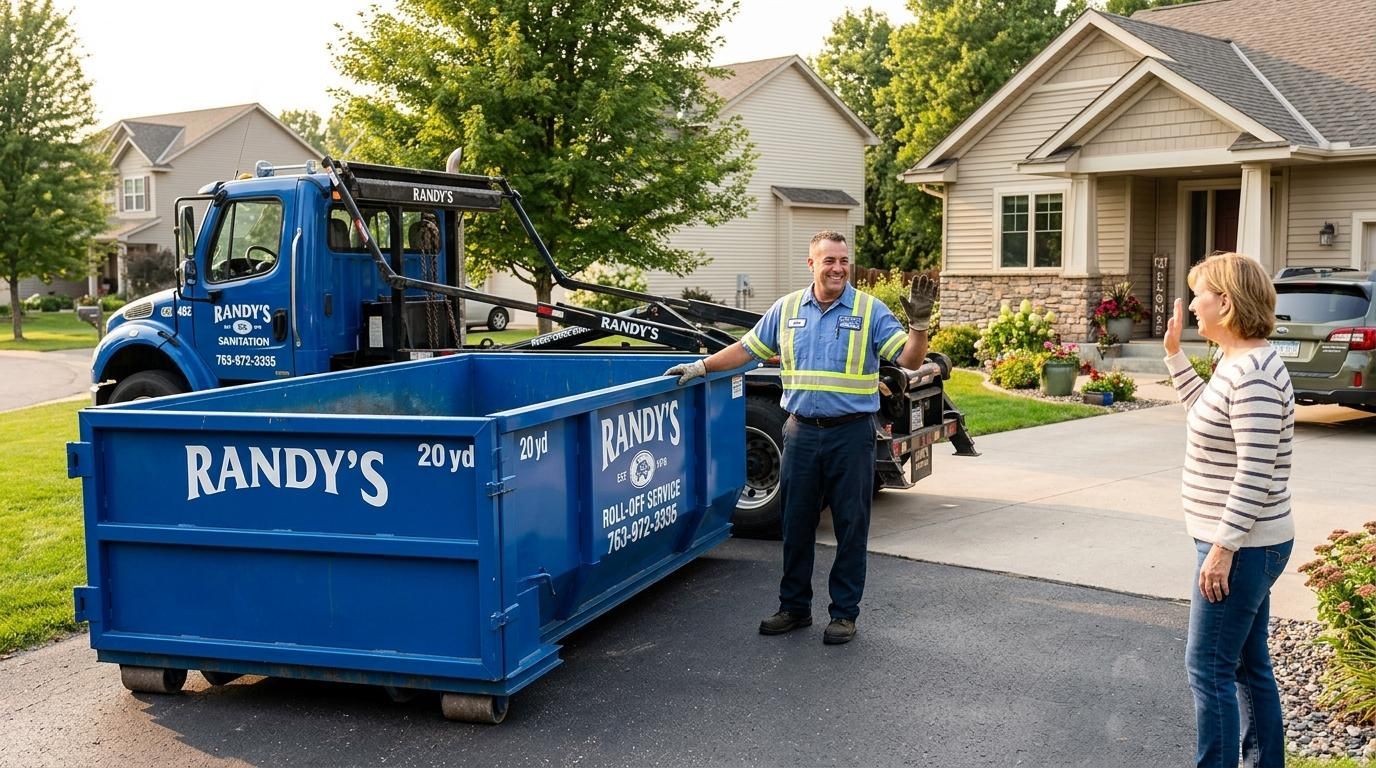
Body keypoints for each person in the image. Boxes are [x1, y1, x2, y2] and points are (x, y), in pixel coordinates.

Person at [664, 230, 935, 645]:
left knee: (850, 526)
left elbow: (910, 359)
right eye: (829, 261)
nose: (838, 268)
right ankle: (793, 608)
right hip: (801, 432)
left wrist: (918, 325)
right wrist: (702, 367)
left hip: (851, 436)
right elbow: (747, 349)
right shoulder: (787, 309)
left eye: (844, 260)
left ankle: (844, 614)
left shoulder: (868, 310)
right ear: (811, 264)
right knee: (795, 524)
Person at [1162, 252, 1295, 768]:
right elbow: (1205, 416)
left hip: (1241, 544)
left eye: (1200, 294)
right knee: (1246, 664)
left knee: (1208, 668)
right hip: (1241, 542)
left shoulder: (1255, 374)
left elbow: (1255, 474)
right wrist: (1175, 356)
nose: (1193, 304)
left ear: (1226, 302)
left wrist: (1221, 550)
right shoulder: (1236, 363)